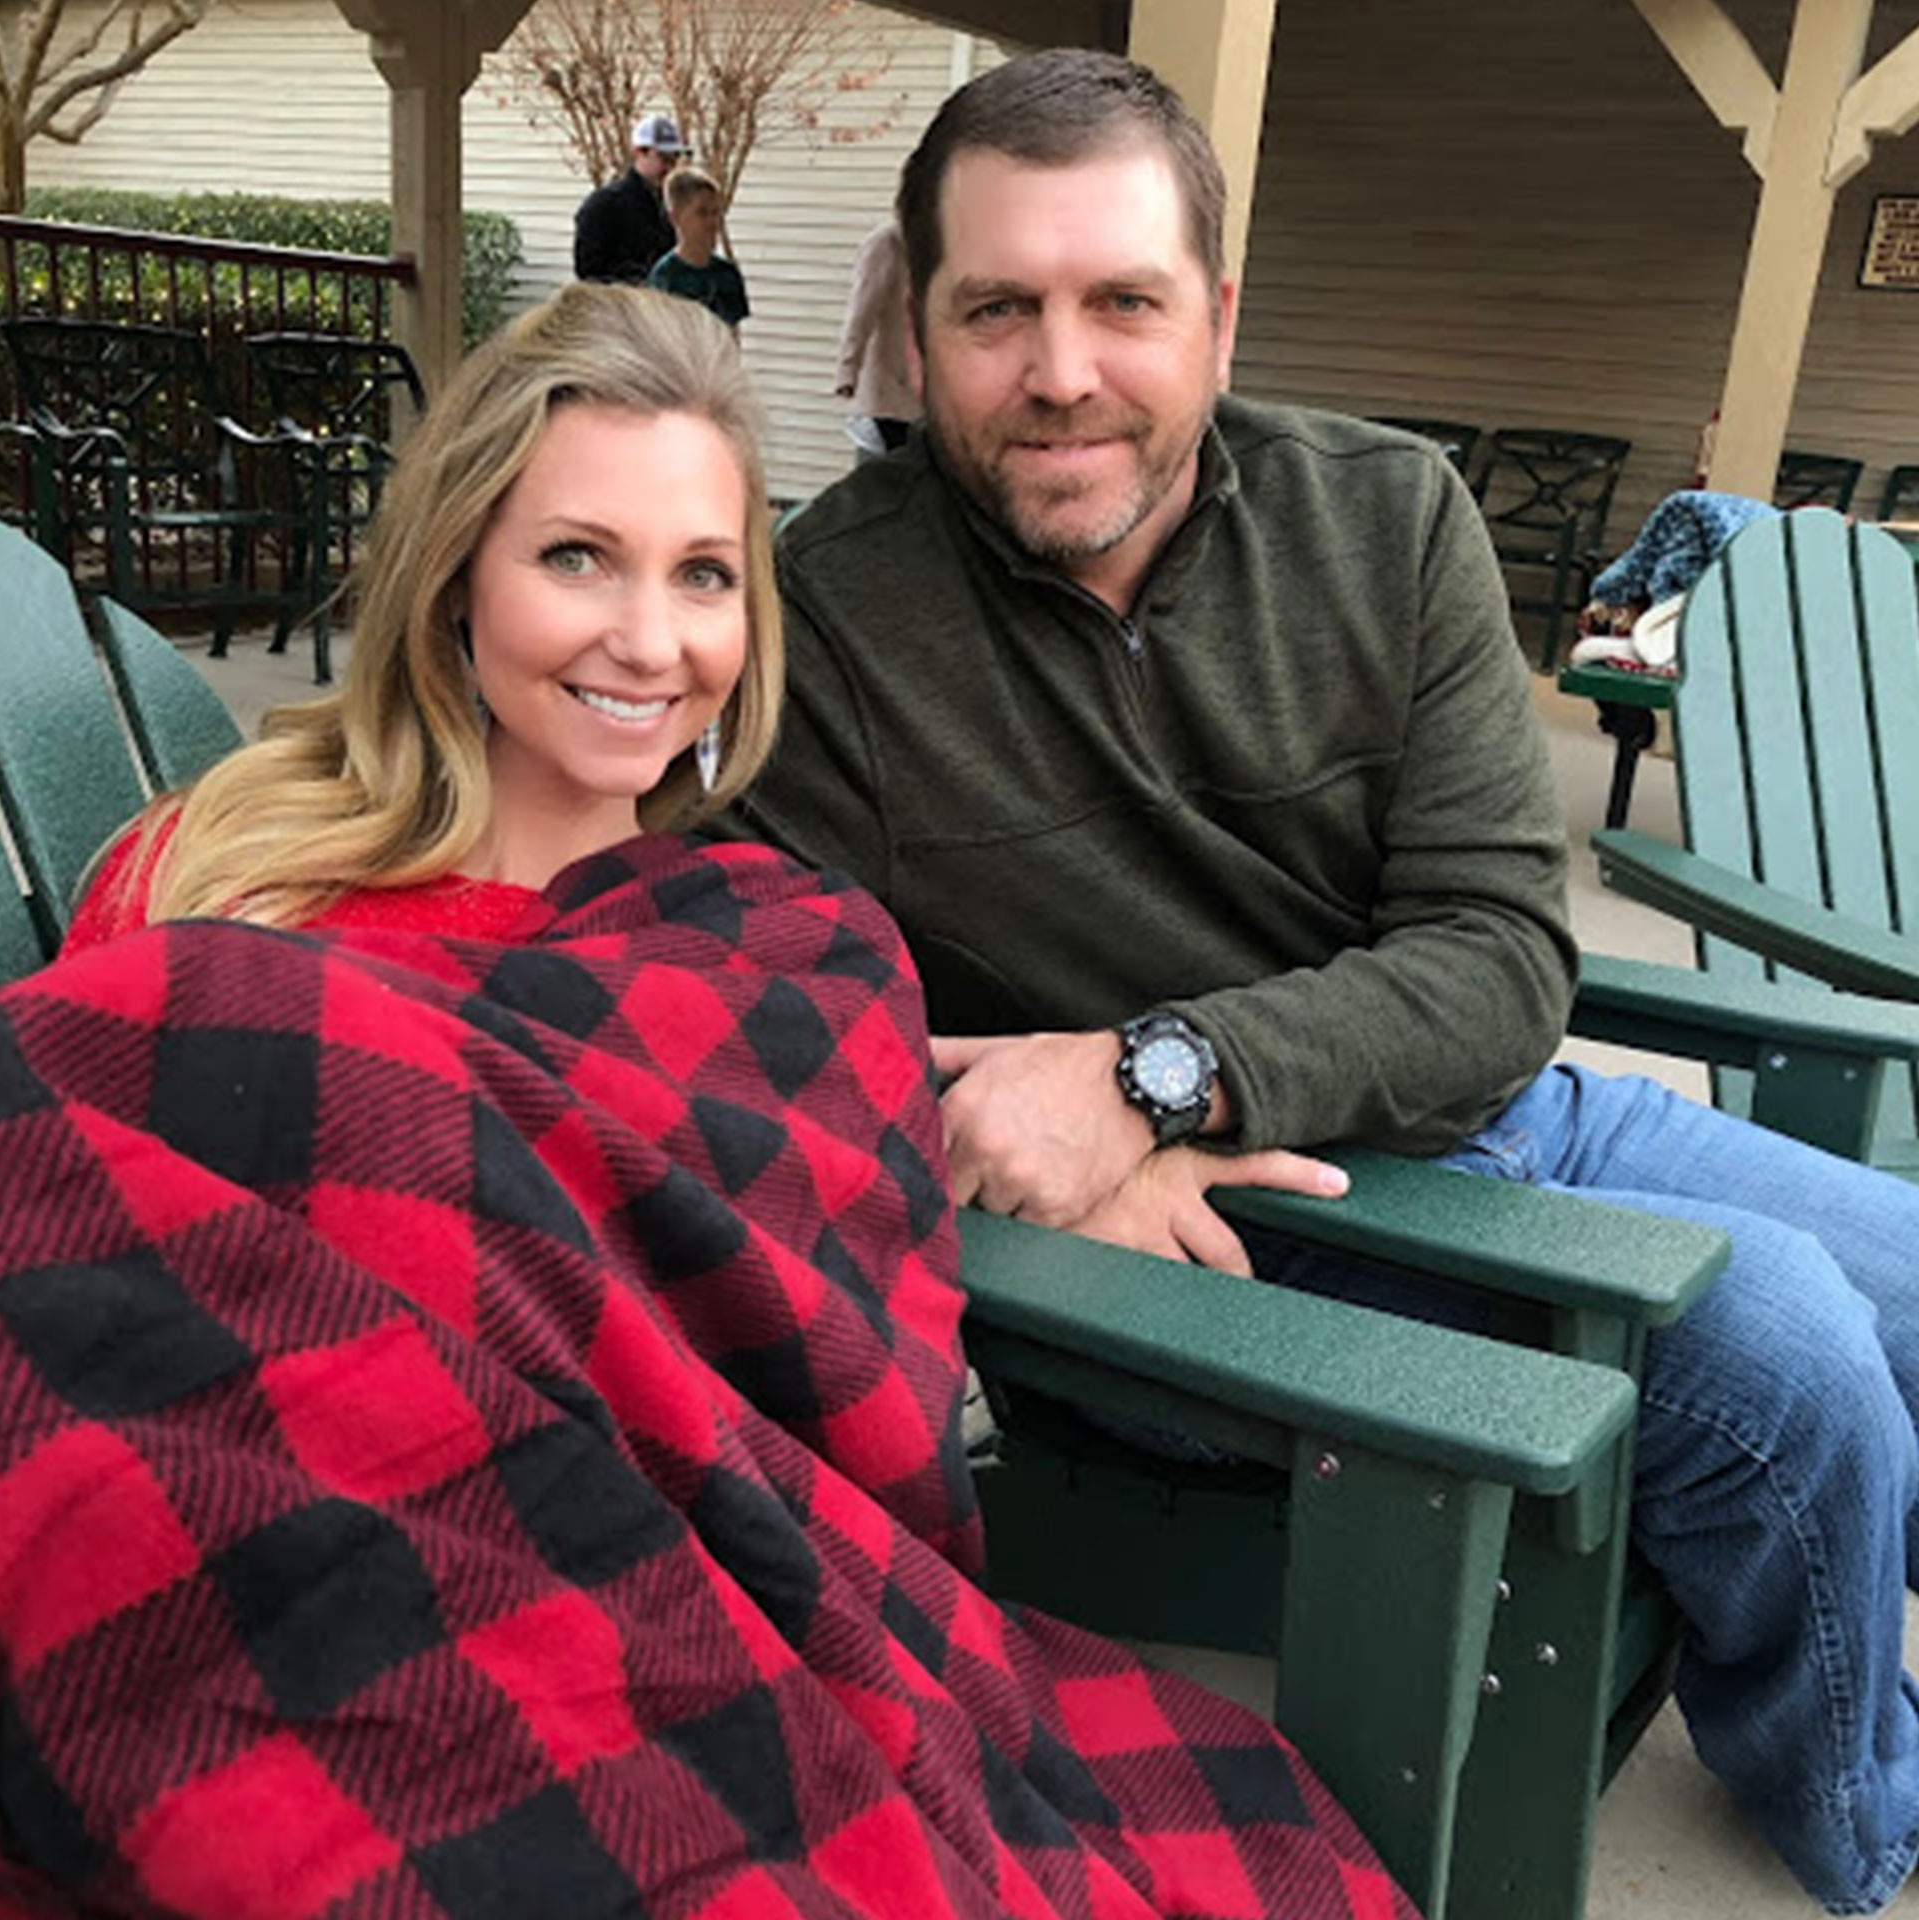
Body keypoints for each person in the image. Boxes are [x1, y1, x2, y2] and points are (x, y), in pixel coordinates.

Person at [1, 282, 1418, 1920]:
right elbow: (100, 1256)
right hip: (313, 1599)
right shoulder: (224, 890)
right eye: (577, 558)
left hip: (701, 1599)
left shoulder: (769, 948)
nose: (651, 642)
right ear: (457, 574)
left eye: (705, 578)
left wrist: (1075, 1147)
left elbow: (792, 1271)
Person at [723, 46, 1919, 1918]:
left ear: (1218, 315)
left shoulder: (1387, 518)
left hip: (1487, 1114)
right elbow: (769, 1028)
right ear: (920, 328)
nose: (1062, 372)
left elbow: (1501, 960)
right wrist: (1041, 1131)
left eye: (1124, 300)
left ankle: (1775, 1615)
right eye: (996, 309)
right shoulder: (830, 633)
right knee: (1790, 1371)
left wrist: (1145, 1074)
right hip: (1223, 1254)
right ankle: (1862, 1820)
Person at [834, 216, 918, 459]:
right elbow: (861, 312)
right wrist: (847, 370)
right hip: (888, 394)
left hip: (924, 396)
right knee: (885, 479)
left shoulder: (940, 245)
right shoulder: (887, 244)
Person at [572, 109, 687, 285]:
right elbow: (589, 271)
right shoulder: (604, 204)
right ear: (639, 153)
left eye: (674, 159)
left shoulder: (674, 203)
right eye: (663, 159)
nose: (669, 168)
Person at [646, 165, 750, 331]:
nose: (711, 222)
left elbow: (733, 334)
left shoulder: (727, 274)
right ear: (676, 217)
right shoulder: (665, 277)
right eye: (701, 213)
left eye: (715, 212)